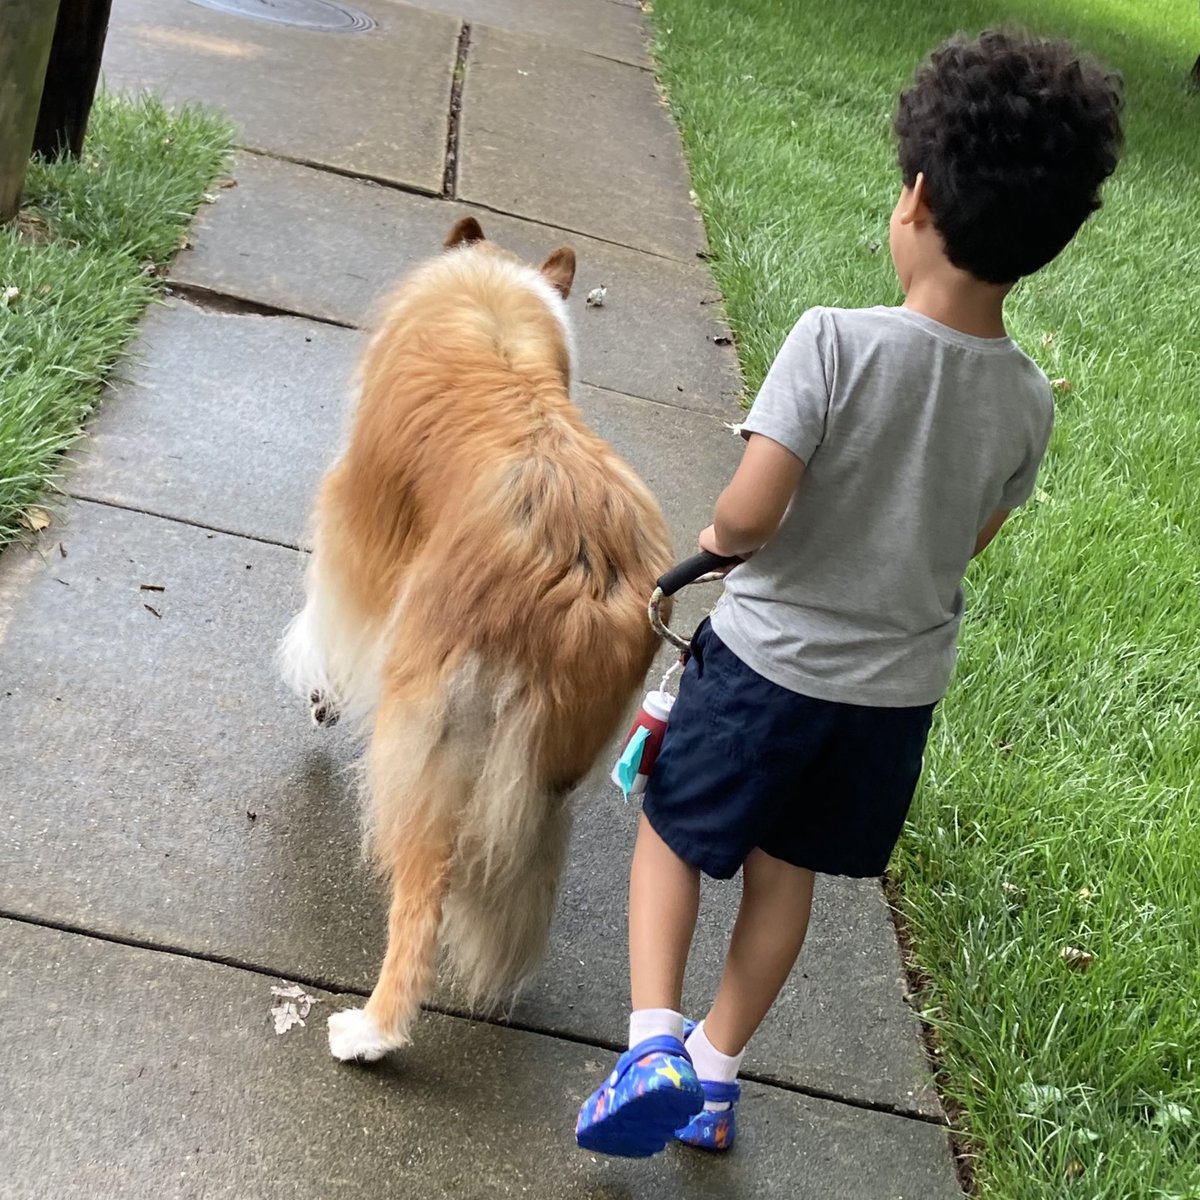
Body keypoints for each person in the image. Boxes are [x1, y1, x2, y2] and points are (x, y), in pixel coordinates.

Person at [575, 28, 1123, 1158]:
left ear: (915, 197)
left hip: (769, 666)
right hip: (890, 703)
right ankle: (719, 1074)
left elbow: (750, 515)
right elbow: (969, 540)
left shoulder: (834, 343)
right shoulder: (1027, 402)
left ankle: (649, 1046)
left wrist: (719, 540)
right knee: (790, 876)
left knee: (672, 834)